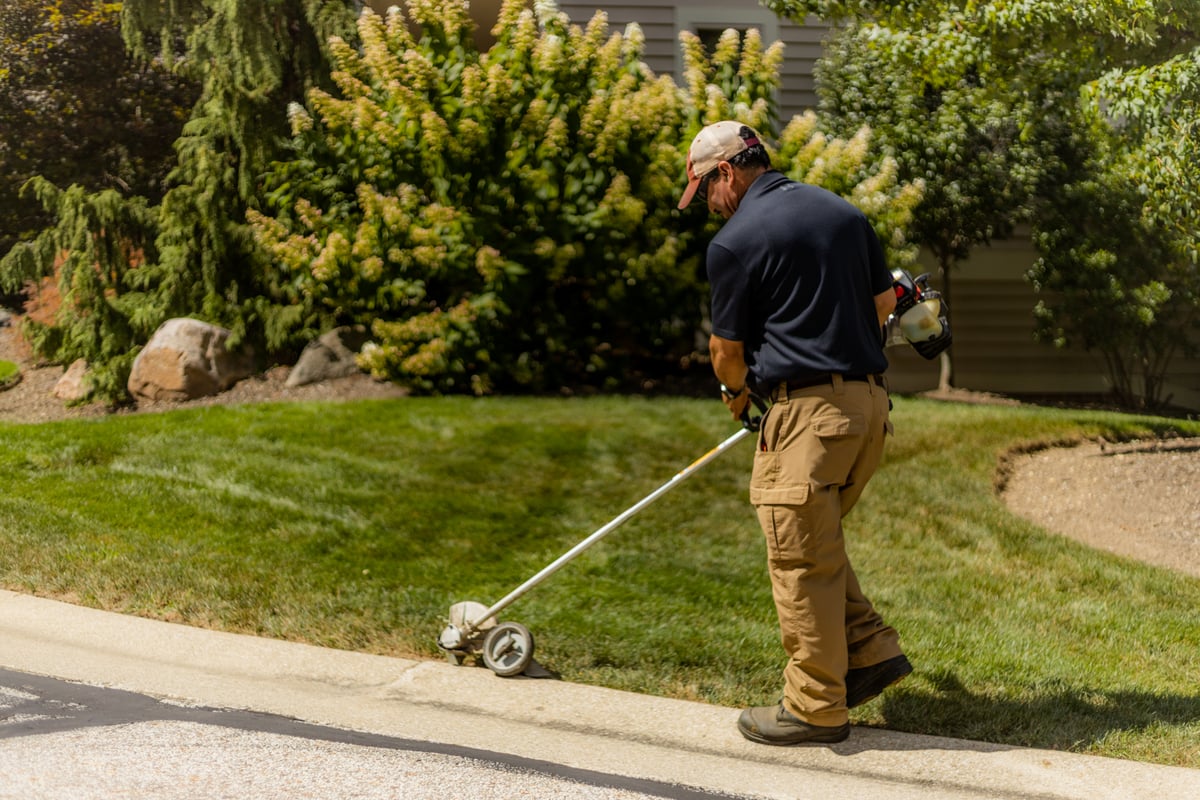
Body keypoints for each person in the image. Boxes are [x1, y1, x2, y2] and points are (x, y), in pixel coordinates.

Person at [678, 120, 912, 746]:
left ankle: (814, 707)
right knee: (818, 541)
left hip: (806, 418)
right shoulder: (843, 213)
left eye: (705, 189)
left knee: (800, 561)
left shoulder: (735, 241)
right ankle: (869, 651)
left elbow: (725, 349)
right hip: (868, 412)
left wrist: (735, 394)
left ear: (726, 172)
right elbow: (885, 302)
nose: (707, 203)